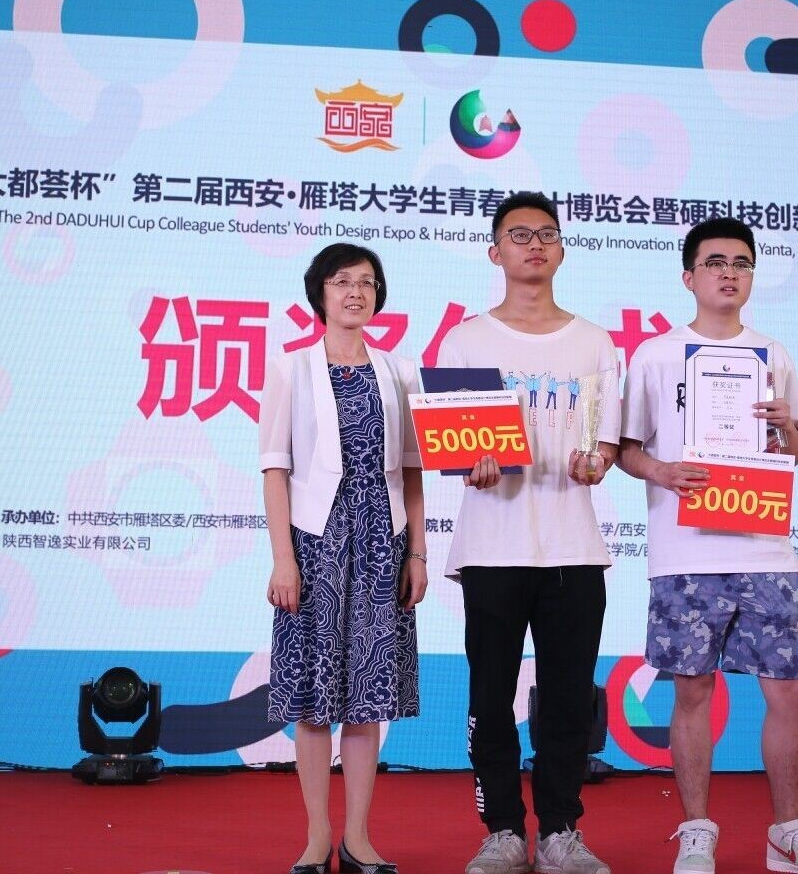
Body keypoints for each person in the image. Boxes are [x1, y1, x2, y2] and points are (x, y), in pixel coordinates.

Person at [617, 217, 798, 874]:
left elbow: (792, 451)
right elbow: (626, 449)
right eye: (715, 262)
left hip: (765, 550)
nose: (729, 273)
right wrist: (662, 471)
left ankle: (788, 833)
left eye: (741, 263)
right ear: (688, 276)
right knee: (692, 692)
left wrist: (785, 431)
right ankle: (696, 831)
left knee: (788, 694)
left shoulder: (772, 354)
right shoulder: (656, 355)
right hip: (685, 554)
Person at [438, 191, 621, 874]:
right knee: (490, 699)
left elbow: (604, 441)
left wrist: (596, 462)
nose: (534, 244)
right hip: (492, 549)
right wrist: (473, 463)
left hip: (573, 547)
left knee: (569, 700)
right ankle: (503, 833)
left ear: (562, 250)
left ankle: (560, 833)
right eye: (519, 235)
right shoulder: (466, 340)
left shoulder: (594, 342)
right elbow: (454, 444)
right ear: (495, 252)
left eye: (546, 233)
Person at [259, 243, 428, 874]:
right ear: (320, 294)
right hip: (314, 545)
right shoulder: (291, 369)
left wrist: (417, 552)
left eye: (367, 282)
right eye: (342, 281)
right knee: (313, 698)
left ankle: (357, 839)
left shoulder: (399, 372)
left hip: (382, 544)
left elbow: (412, 470)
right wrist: (283, 559)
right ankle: (315, 837)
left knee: (366, 698)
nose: (355, 292)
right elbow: (274, 468)